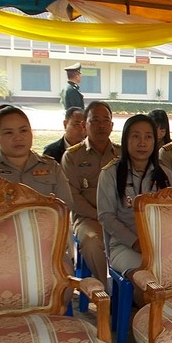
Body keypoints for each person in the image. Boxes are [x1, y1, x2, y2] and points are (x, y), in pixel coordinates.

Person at [97, 115, 170, 281]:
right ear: (125, 140)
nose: (142, 143)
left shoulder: (165, 174)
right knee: (147, 278)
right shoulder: (110, 174)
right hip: (125, 246)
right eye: (136, 136)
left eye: (148, 137)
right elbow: (106, 217)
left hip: (159, 245)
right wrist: (136, 242)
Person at [61, 101, 120, 283]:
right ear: (84, 125)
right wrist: (100, 216)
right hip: (88, 218)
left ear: (111, 125)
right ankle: (103, 288)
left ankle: (132, 288)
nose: (101, 125)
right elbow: (72, 197)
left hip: (120, 216)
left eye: (105, 120)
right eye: (95, 120)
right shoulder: (72, 156)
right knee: (93, 241)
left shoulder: (122, 154)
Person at [0, 106, 72, 205]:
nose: (18, 138)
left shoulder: (51, 166)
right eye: (8, 133)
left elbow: (65, 207)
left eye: (23, 131)